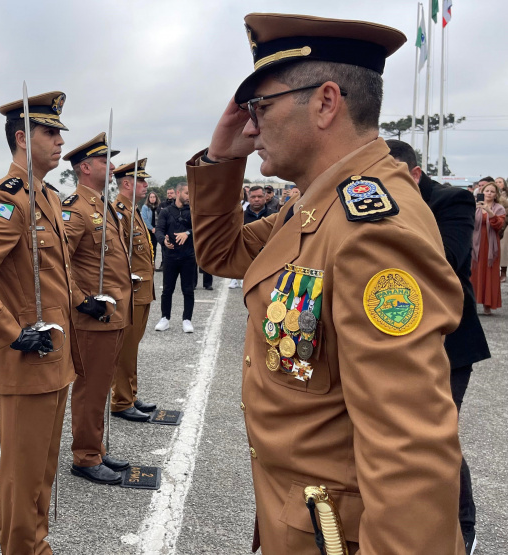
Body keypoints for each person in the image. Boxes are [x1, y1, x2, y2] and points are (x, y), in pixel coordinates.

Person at [187, 13, 465, 554]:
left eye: (260, 108)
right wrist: (221, 159)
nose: (250, 128)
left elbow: (408, 448)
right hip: (301, 516)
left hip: (335, 533)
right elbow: (222, 252)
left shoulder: (370, 227)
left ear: (325, 102)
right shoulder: (315, 206)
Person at [0, 90, 78, 553]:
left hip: (52, 357)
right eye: (49, 132)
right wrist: (10, 334)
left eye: (58, 133)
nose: (58, 142)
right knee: (22, 473)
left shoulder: (46, 194)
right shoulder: (8, 200)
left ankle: (36, 544)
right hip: (27, 359)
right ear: (21, 139)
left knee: (43, 470)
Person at [387, 139, 490, 552]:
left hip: (449, 343)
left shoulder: (453, 201)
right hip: (396, 339)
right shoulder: (376, 202)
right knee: (395, 439)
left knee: (436, 439)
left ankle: (463, 529)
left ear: (412, 174)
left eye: (389, 178)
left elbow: (445, 260)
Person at [60, 132, 133, 485]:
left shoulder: (101, 205)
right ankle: (85, 456)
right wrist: (81, 301)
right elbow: (57, 261)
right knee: (91, 388)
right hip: (94, 317)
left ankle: (96, 447)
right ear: (85, 168)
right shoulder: (75, 208)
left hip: (113, 315)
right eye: (107, 161)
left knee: (101, 386)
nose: (114, 166)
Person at [111, 158, 158, 422]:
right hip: (131, 291)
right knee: (126, 349)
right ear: (127, 183)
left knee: (133, 347)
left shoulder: (134, 210)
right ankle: (121, 401)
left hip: (142, 291)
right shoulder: (119, 211)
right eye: (141, 180)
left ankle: (130, 393)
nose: (146, 184)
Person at [154, 181, 196, 332]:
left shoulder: (192, 211)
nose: (189, 196)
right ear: (178, 193)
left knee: (188, 290)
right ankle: (165, 318)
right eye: (187, 193)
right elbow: (159, 230)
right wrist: (163, 241)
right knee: (167, 290)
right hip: (170, 257)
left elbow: (199, 228)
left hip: (188, 257)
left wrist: (187, 233)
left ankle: (187, 320)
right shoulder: (165, 212)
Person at [228, 185, 276, 290]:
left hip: (269, 260)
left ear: (265, 197)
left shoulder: (274, 216)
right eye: (253, 197)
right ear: (248, 198)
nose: (256, 199)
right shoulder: (240, 217)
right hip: (247, 259)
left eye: (259, 196)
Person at [470, 182, 504, 315]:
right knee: (474, 273)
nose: (489, 193)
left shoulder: (499, 208)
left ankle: (487, 305)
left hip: (491, 246)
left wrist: (489, 211)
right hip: (475, 244)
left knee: (489, 273)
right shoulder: (475, 206)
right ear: (481, 192)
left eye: (492, 191)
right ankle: (472, 304)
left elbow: (498, 225)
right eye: (486, 191)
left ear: (496, 195)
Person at [142, 190, 160, 269]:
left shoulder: (159, 207)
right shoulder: (145, 207)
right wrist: (151, 228)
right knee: (149, 247)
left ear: (156, 198)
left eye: (154, 197)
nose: (152, 199)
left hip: (157, 229)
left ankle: (154, 263)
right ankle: (148, 263)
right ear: (148, 198)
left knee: (155, 247)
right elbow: (144, 219)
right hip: (149, 230)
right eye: (151, 197)